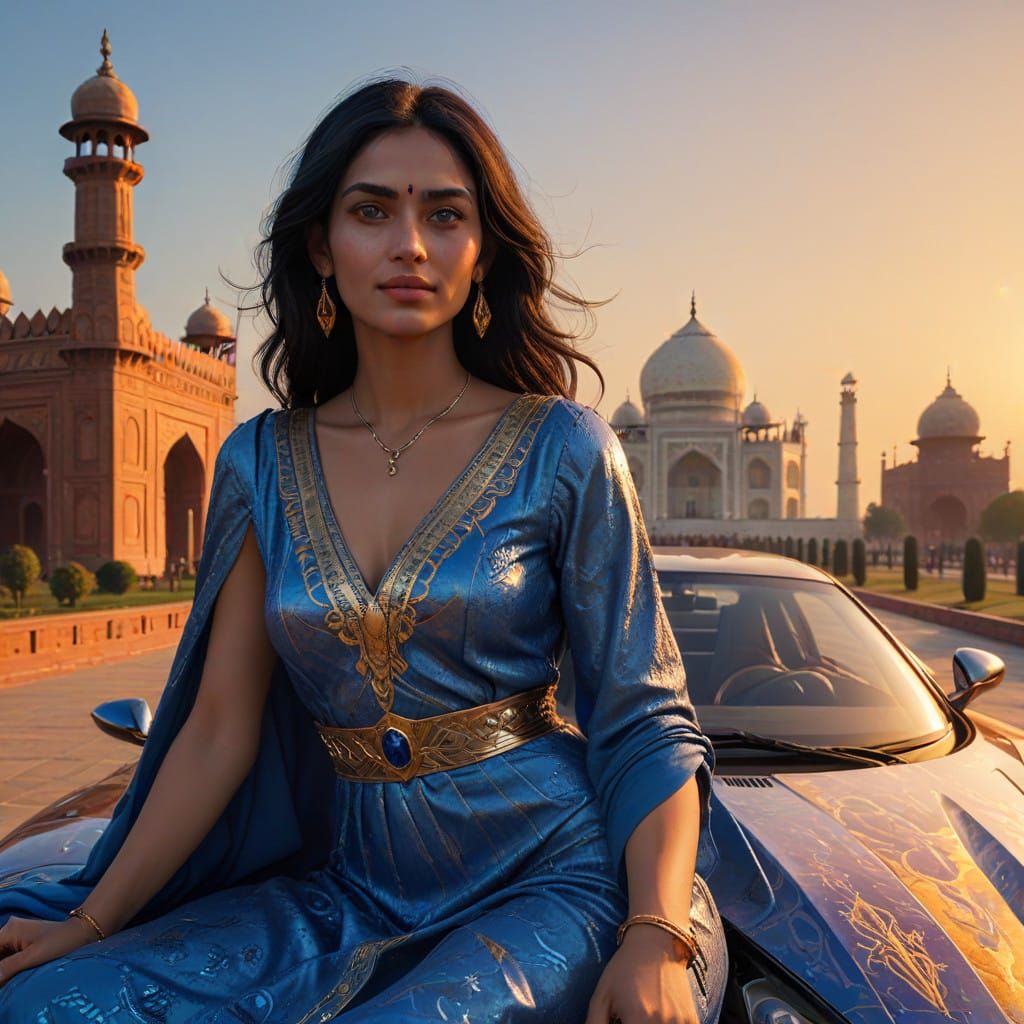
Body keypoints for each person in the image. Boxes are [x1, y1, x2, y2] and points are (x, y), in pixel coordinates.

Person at [0, 75, 727, 1022]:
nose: (409, 245)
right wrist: (91, 923)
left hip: (547, 877)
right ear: (321, 244)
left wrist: (655, 934)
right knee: (54, 1002)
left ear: (482, 250)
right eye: (373, 210)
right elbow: (220, 729)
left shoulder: (564, 448)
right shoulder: (262, 460)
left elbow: (644, 718)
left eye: (445, 214)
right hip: (351, 886)